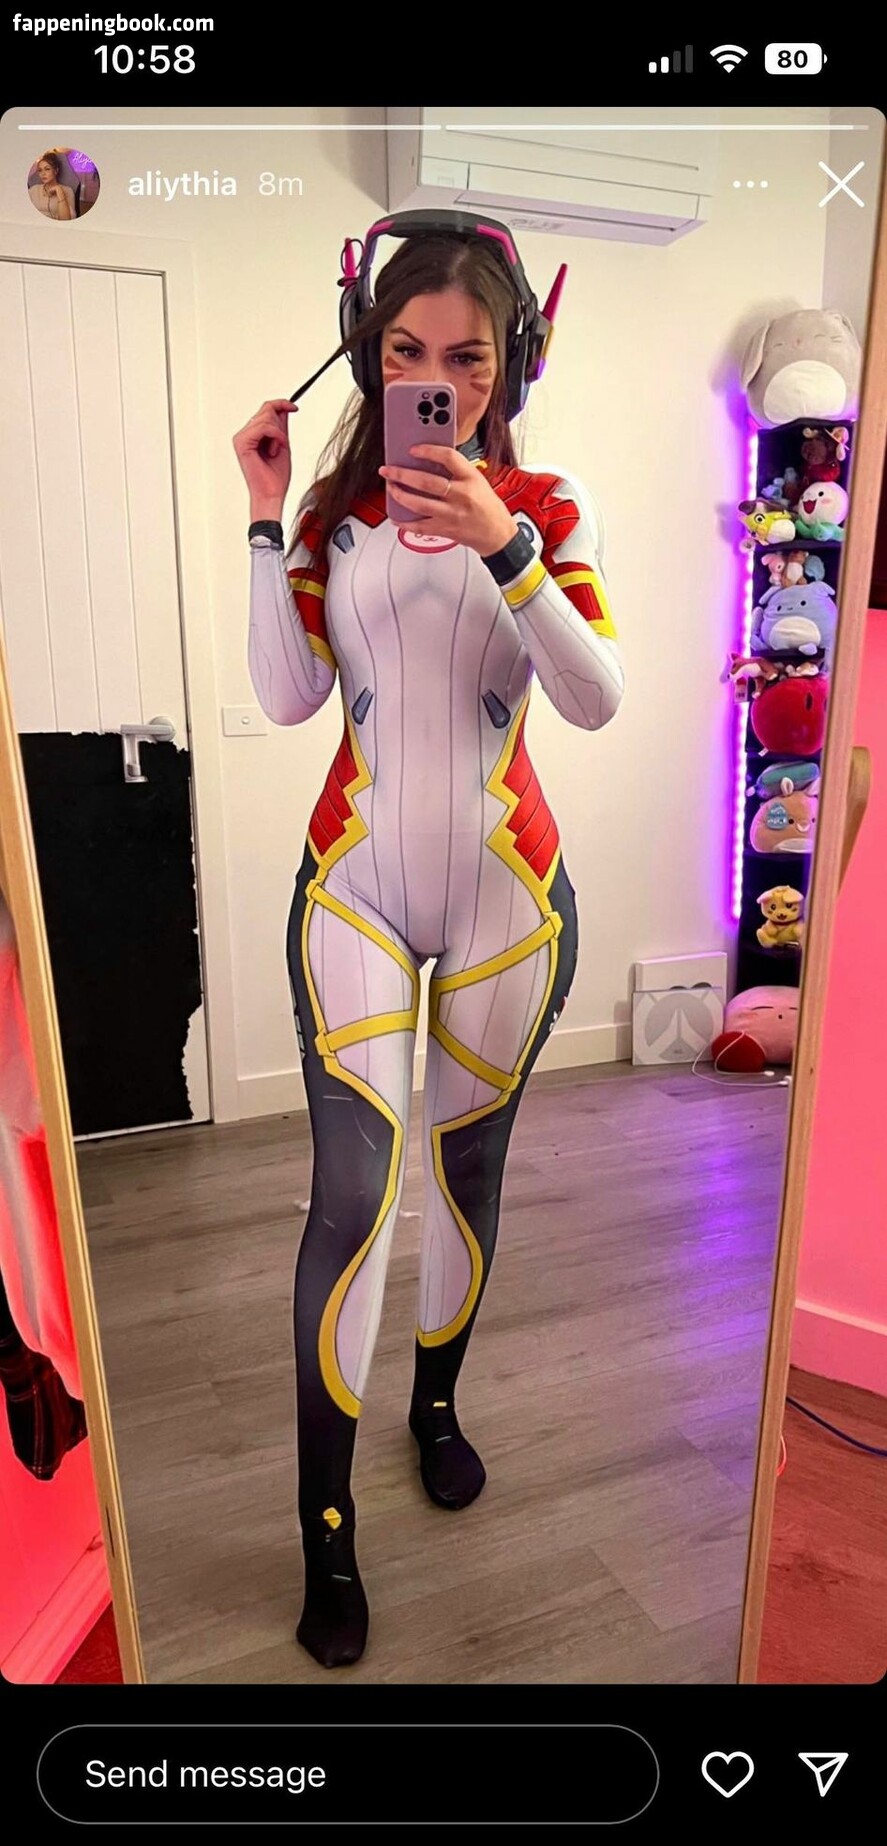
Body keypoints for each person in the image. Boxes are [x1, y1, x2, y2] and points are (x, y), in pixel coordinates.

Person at [233, 211, 625, 1669]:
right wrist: (264, 513)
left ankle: (435, 1405)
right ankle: (325, 1531)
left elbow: (592, 698)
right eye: (406, 354)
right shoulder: (330, 517)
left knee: (465, 1175)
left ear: (513, 359)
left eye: (467, 357)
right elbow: (287, 699)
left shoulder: (548, 506)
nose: (438, 384)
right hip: (350, 884)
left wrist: (503, 545)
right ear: (365, 357)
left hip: (508, 897)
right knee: (349, 1200)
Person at [28, 153, 76, 221]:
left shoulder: (68, 190)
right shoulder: (33, 189)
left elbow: (65, 220)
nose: (43, 173)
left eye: (47, 169)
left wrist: (59, 190)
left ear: (56, 171)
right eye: (40, 170)